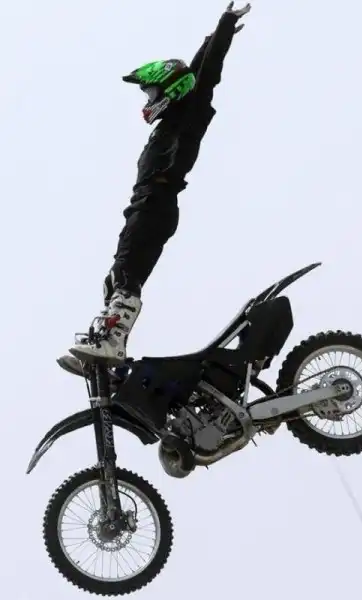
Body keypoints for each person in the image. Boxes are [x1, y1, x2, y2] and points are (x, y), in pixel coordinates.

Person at [58, 2, 252, 379]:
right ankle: (106, 359)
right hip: (145, 206)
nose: (148, 101)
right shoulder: (168, 125)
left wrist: (225, 25)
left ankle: (112, 344)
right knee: (115, 280)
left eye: (151, 92)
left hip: (156, 202)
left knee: (126, 278)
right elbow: (194, 71)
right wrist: (210, 37)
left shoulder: (189, 115)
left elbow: (204, 75)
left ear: (170, 91)